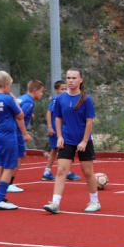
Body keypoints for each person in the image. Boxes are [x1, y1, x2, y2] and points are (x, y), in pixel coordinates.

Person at [43, 68, 101, 214]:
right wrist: (60, 137)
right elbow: (58, 118)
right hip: (67, 139)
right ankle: (55, 203)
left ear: (81, 80)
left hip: (83, 140)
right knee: (61, 170)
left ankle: (95, 201)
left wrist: (84, 141)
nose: (71, 81)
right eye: (68, 78)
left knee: (87, 172)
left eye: (74, 78)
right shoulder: (60, 98)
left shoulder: (86, 99)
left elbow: (89, 121)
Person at [0, 71, 32, 210]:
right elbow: (20, 115)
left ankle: (0, 196)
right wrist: (14, 99)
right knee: (10, 167)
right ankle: (0, 200)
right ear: (5, 85)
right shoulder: (7, 99)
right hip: (8, 136)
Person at [3, 80, 45, 193]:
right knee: (20, 155)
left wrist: (29, 114)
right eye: (41, 91)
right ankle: (8, 182)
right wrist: (24, 133)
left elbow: (16, 110)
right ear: (35, 91)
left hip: (10, 130)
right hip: (17, 131)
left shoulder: (22, 98)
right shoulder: (29, 102)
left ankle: (2, 174)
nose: (42, 94)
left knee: (18, 154)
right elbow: (19, 117)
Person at [41, 80, 81, 182]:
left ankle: (48, 172)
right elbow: (49, 113)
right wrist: (50, 127)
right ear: (56, 90)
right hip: (55, 129)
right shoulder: (56, 100)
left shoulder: (64, 100)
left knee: (55, 150)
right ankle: (63, 172)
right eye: (62, 89)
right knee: (61, 149)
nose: (64, 91)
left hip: (61, 128)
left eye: (65, 89)